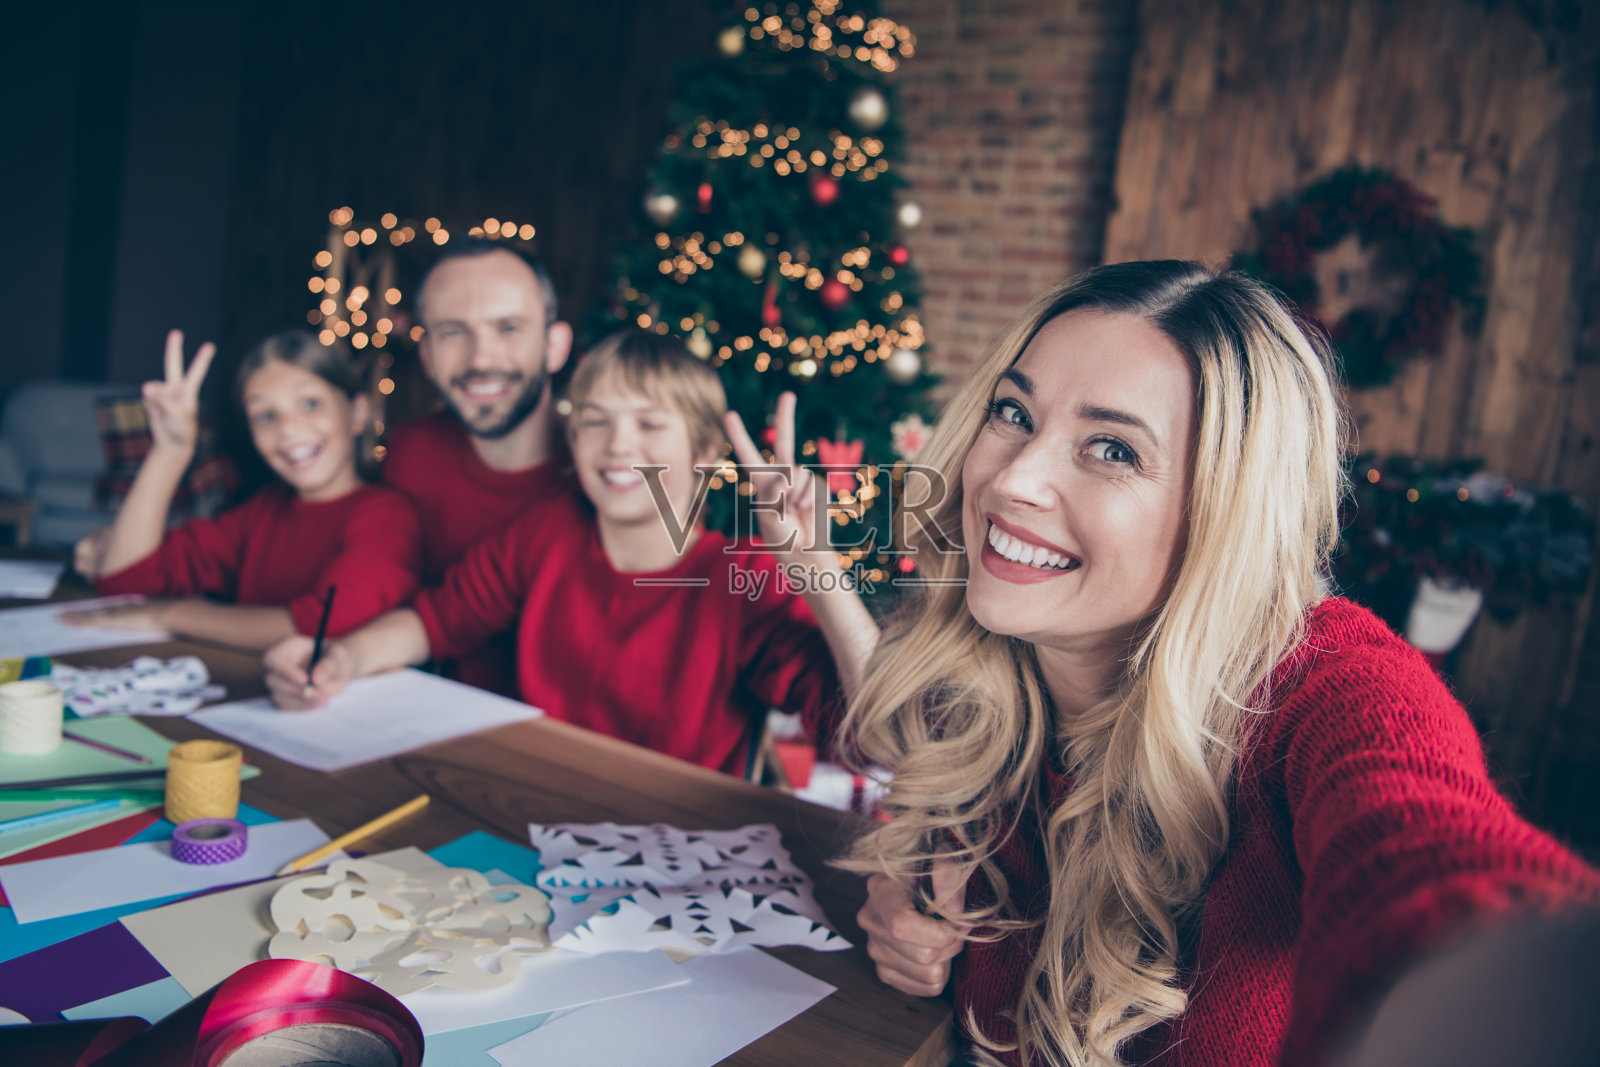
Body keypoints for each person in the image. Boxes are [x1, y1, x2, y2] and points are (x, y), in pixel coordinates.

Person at [835, 261, 1600, 1066]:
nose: (1013, 479)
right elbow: (870, 718)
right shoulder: (989, 661)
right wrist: (907, 906)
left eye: (1112, 449)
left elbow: (1429, 860)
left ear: (1225, 507)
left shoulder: (1328, 687)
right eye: (1013, 411)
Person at [263, 329, 878, 776]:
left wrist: (816, 568)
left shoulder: (743, 575)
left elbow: (874, 736)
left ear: (706, 449)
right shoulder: (548, 533)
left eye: (648, 423)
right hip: (533, 816)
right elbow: (436, 621)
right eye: (594, 420)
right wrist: (340, 660)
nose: (617, 447)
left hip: (680, 857)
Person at [64, 330, 422, 650]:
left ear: (358, 413)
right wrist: (171, 450)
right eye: (266, 416)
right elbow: (127, 580)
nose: (287, 429)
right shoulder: (261, 512)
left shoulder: (387, 515)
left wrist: (173, 614)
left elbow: (325, 624)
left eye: (310, 404)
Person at [380, 238, 575, 694]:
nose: (480, 359)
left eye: (508, 328)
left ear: (555, 346)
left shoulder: (606, 479)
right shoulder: (412, 452)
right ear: (427, 356)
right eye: (452, 332)